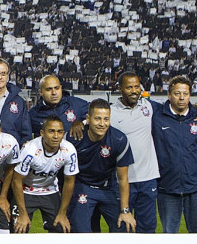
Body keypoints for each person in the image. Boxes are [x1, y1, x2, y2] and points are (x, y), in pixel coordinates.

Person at [68, 100, 136, 233]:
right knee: (80, 231)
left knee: (124, 226)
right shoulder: (74, 138)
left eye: (106, 119)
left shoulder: (119, 140)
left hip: (109, 188)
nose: (102, 124)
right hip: (83, 186)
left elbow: (123, 179)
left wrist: (125, 210)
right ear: (88, 119)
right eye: (97, 119)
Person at [152, 75, 197, 233]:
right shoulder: (156, 116)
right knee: (169, 235)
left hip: (195, 187)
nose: (182, 97)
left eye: (185, 93)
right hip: (167, 188)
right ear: (169, 95)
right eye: (177, 93)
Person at [109, 72, 159, 233]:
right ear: (120, 89)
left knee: (148, 229)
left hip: (148, 179)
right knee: (122, 228)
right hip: (122, 181)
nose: (134, 91)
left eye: (136, 86)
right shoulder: (110, 112)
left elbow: (174, 109)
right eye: (129, 87)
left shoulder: (149, 106)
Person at [12, 116, 79, 233]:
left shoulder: (69, 150)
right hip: (26, 190)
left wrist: (62, 213)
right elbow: (16, 180)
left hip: (50, 190)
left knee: (61, 227)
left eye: (60, 132)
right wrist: (22, 214)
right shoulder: (29, 150)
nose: (56, 136)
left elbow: (70, 181)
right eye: (51, 131)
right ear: (42, 133)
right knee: (19, 229)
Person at [27, 75, 87, 139]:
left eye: (57, 88)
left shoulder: (75, 103)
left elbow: (95, 114)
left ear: (61, 88)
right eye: (49, 89)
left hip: (76, 148)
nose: (54, 92)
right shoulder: (32, 115)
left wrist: (82, 122)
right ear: (41, 92)